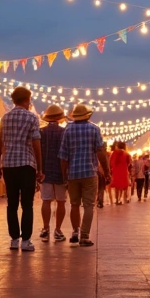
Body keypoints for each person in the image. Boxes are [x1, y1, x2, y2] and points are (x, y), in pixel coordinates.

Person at [0, 87, 43, 252]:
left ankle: (14, 239)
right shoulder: (32, 118)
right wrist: (40, 168)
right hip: (27, 164)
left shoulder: (4, 118)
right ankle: (26, 240)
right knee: (27, 204)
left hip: (8, 165)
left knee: (12, 203)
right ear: (26, 100)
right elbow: (36, 143)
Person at [59, 103, 109, 247]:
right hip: (89, 172)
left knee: (74, 204)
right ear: (88, 115)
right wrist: (106, 171)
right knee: (88, 205)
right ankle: (85, 236)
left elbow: (63, 156)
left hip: (73, 173)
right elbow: (100, 151)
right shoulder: (94, 129)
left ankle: (75, 231)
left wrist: (64, 174)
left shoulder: (68, 130)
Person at [38, 105, 68, 243]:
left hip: (45, 171)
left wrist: (39, 170)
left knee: (46, 201)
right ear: (60, 118)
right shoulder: (64, 132)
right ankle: (58, 230)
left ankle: (45, 229)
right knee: (61, 202)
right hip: (61, 172)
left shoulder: (41, 132)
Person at [108, 141, 131, 205]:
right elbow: (129, 163)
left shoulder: (114, 153)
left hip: (116, 171)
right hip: (124, 171)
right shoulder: (126, 154)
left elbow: (110, 162)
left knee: (117, 186)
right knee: (123, 186)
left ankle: (117, 199)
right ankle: (121, 198)